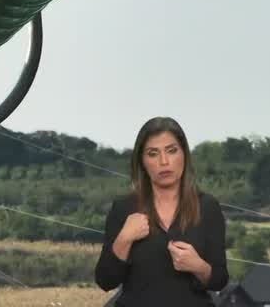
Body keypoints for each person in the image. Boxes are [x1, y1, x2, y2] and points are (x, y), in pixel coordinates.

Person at [95, 117, 228, 306]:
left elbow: (220, 279)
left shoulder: (207, 206)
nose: (164, 161)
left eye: (171, 151)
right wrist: (124, 239)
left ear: (184, 155)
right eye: (153, 153)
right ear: (142, 161)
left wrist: (199, 267)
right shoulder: (123, 208)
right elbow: (105, 281)